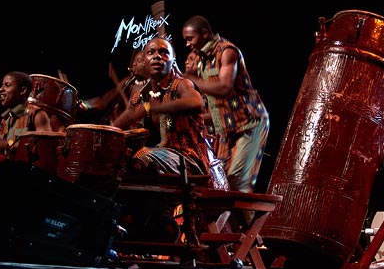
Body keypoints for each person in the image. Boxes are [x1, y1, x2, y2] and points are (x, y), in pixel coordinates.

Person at [181, 15, 270, 195]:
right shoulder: (201, 59)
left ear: (205, 33)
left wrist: (192, 78)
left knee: (235, 182)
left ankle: (251, 222)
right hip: (226, 130)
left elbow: (224, 87)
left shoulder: (227, 51)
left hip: (249, 124)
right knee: (218, 182)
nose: (187, 44)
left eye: (190, 39)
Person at [111, 37, 210, 178]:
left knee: (141, 156)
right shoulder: (141, 95)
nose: (157, 56)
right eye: (151, 52)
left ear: (172, 61)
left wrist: (153, 107)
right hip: (160, 155)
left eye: (164, 52)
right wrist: (104, 134)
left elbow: (196, 103)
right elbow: (125, 117)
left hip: (188, 159)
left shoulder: (182, 85)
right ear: (144, 61)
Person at [0, 71, 53, 158]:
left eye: (7, 85)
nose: (1, 89)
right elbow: (9, 144)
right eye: (2, 85)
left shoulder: (37, 114)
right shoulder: (5, 121)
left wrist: (4, 144)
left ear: (22, 90)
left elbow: (45, 147)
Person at [78, 48, 150, 130]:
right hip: (112, 130)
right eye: (134, 61)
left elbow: (134, 115)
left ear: (148, 63)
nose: (134, 64)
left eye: (139, 60)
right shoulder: (128, 81)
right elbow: (103, 101)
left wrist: (111, 129)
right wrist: (83, 104)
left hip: (130, 134)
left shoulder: (151, 88)